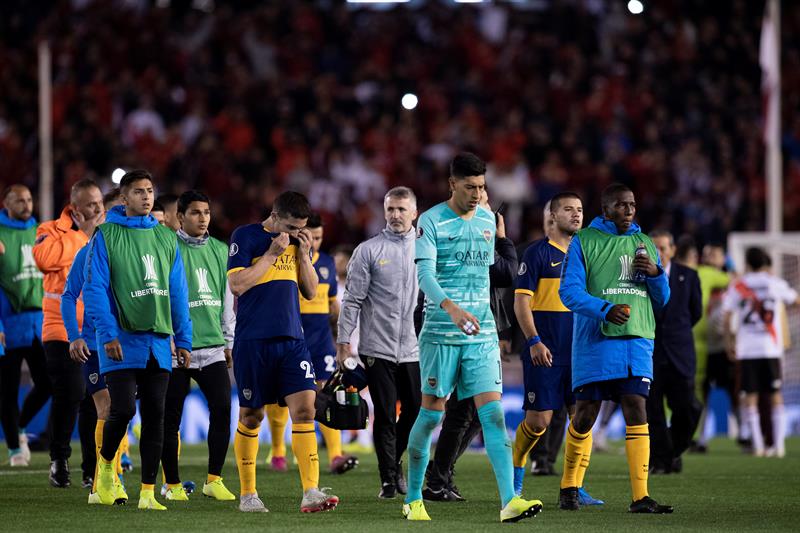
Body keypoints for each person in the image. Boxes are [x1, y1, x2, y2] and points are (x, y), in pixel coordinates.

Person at [404, 152, 542, 523]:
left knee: (493, 416)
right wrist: (451, 308)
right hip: (441, 334)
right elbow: (426, 278)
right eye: (470, 187)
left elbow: (496, 275)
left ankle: (509, 501)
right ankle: (414, 497)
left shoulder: (486, 221)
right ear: (452, 184)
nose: (477, 194)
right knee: (431, 416)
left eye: (482, 187)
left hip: (481, 335)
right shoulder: (430, 222)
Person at [558, 183, 673, 513]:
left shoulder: (644, 243)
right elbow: (570, 293)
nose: (629, 211)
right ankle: (569, 486)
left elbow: (662, 300)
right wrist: (606, 309)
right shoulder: (584, 241)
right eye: (621, 206)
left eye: (632, 205)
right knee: (585, 416)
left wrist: (655, 274)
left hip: (637, 340)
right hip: (596, 341)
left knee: (637, 406)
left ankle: (641, 496)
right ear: (606, 209)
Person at [83, 169, 192, 510]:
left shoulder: (165, 238)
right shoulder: (106, 235)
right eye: (138, 192)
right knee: (124, 409)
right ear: (123, 198)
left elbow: (178, 292)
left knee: (156, 415)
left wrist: (184, 339)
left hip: (158, 341)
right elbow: (95, 288)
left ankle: (147, 493)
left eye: (149, 191)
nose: (146, 197)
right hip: (121, 340)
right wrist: (107, 334)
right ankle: (104, 469)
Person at [227, 190, 339, 514]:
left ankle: (311, 492)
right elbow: (238, 285)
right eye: (290, 227)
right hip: (253, 341)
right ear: (274, 217)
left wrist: (303, 255)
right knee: (251, 416)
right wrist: (271, 255)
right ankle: (248, 495)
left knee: (306, 409)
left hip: (293, 339)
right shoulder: (246, 236)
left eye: (300, 228)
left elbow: (309, 289)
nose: (295, 234)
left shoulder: (296, 243)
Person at [421, 188, 518, 502]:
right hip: (455, 329)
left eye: (485, 198)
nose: (482, 203)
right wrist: (502, 238)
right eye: (479, 197)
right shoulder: (471, 233)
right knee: (460, 411)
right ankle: (435, 478)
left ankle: (438, 472)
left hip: (476, 329)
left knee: (467, 413)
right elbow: (506, 272)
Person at [511, 192, 603, 506]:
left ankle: (573, 486)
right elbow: (521, 302)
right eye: (568, 209)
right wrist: (533, 340)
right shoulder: (536, 253)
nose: (576, 215)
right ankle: (516, 472)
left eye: (579, 209)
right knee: (539, 422)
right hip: (545, 350)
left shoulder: (587, 255)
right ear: (552, 215)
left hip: (580, 351)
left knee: (583, 418)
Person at [336, 187, 421, 499]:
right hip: (377, 348)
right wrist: (344, 343)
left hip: (415, 348)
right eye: (391, 210)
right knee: (385, 414)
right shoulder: (369, 250)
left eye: (401, 209)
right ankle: (387, 479)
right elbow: (352, 301)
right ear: (384, 212)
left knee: (414, 410)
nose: (395, 215)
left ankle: (394, 461)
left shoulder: (428, 249)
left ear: (414, 213)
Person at [160, 190, 236, 501]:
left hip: (213, 346)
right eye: (195, 212)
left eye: (206, 212)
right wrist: (168, 339)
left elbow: (227, 298)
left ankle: (213, 480)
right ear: (179, 217)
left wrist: (229, 339)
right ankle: (172, 484)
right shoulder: (167, 247)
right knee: (170, 417)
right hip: (178, 348)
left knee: (222, 409)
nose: (203, 218)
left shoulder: (221, 250)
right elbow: (161, 296)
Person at [33, 178, 104, 488]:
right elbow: (43, 260)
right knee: (72, 390)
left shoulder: (105, 235)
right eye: (92, 204)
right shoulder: (49, 231)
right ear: (76, 210)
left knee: (93, 397)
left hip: (94, 328)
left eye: (101, 203)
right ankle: (59, 459)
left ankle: (91, 468)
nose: (99, 209)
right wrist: (83, 236)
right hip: (58, 327)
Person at [62, 188, 128, 504]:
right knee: (108, 407)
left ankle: (111, 477)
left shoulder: (135, 254)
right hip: (94, 344)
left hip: (129, 343)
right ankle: (105, 481)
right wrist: (74, 335)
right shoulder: (87, 253)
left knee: (124, 410)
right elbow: (67, 296)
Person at [722, 247, 799, 458]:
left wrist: (730, 342)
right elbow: (796, 301)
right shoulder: (775, 283)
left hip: (747, 350)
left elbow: (727, 317)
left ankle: (758, 446)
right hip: (770, 349)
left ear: (747, 263)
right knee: (775, 396)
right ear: (766, 264)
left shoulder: (739, 286)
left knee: (751, 399)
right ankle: (779, 447)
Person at [646, 230, 702, 473]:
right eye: (654, 248)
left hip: (680, 353)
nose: (659, 252)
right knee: (653, 411)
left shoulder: (689, 276)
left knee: (689, 408)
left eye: (663, 247)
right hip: (650, 354)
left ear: (673, 250)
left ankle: (671, 452)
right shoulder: (639, 277)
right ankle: (661, 461)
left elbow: (695, 313)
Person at [0, 185, 48, 467]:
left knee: (48, 382)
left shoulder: (41, 232)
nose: (26, 204)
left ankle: (18, 427)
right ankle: (15, 450)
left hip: (39, 322)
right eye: (19, 200)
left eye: (29, 199)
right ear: (6, 202)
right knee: (7, 389)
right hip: (8, 323)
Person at [693, 242, 733, 452]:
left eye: (714, 253)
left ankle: (745, 434)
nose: (709, 255)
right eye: (707, 252)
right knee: (702, 392)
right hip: (704, 346)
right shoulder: (704, 274)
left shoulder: (730, 288)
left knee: (734, 392)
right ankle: (700, 438)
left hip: (721, 347)